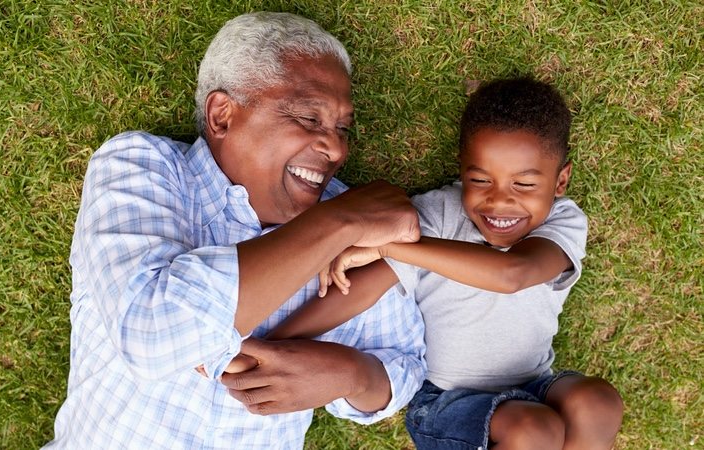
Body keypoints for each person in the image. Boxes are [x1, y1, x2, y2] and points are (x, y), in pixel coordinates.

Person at [43, 12, 427, 449]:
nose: (337, 147)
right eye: (308, 118)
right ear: (222, 115)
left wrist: (349, 374)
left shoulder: (353, 219)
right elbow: (153, 335)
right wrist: (339, 222)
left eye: (342, 128)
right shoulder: (141, 167)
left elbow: (403, 365)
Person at [262, 77, 624, 450]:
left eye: (525, 185)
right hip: (446, 401)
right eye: (480, 179)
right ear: (462, 169)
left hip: (535, 382)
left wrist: (393, 246)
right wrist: (274, 343)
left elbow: (515, 273)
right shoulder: (436, 214)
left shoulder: (562, 221)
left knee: (598, 402)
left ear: (560, 180)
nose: (499, 202)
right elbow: (362, 290)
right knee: (534, 431)